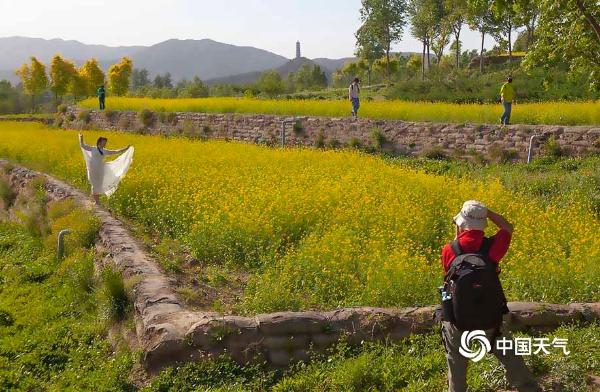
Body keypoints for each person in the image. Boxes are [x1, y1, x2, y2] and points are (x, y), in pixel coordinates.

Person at [440, 200, 541, 392]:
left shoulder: (449, 250)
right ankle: (528, 388)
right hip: (491, 319)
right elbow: (507, 226)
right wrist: (487, 212)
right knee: (510, 354)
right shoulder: (493, 247)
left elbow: (451, 275)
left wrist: (459, 231)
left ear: (462, 223)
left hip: (458, 320)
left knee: (456, 362)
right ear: (483, 222)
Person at [79, 133, 133, 205]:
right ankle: (97, 201)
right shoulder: (93, 148)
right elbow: (83, 145)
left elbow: (116, 152)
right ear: (99, 142)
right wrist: (81, 138)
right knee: (94, 184)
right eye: (103, 142)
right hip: (93, 170)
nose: (104, 143)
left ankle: (97, 201)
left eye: (105, 142)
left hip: (101, 170)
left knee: (98, 185)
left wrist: (126, 148)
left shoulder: (105, 151)